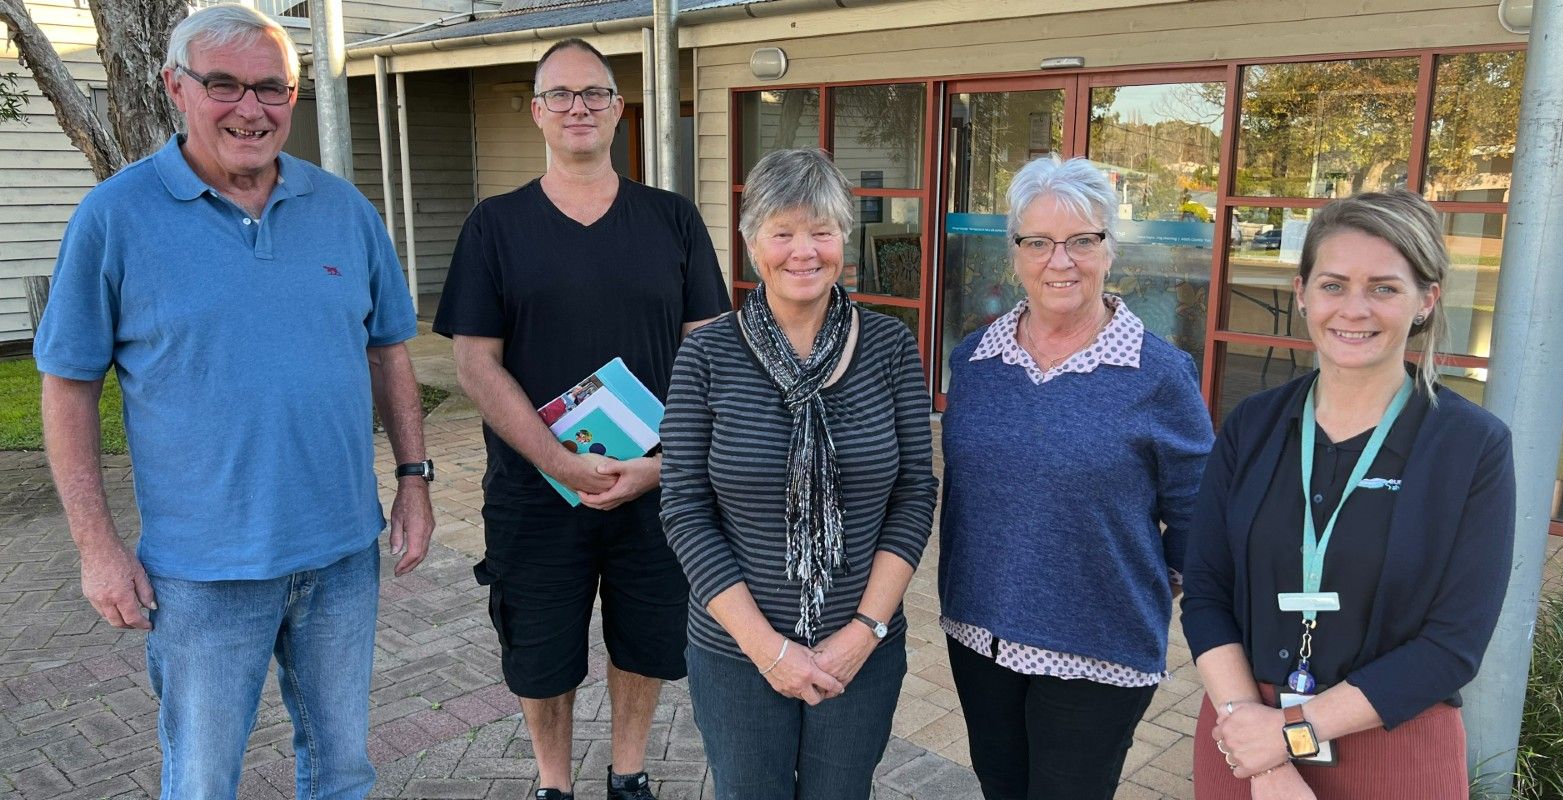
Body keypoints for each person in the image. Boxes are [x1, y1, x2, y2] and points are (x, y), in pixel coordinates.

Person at [32, 6, 435, 798]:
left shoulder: (344, 211)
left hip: (342, 557)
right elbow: (68, 386)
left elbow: (388, 349)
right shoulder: (114, 218)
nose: (251, 109)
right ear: (175, 88)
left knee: (344, 770)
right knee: (204, 778)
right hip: (202, 576)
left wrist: (414, 480)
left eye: (271, 88)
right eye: (224, 85)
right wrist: (96, 548)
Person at [433, 38, 730, 800]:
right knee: (540, 649)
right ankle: (553, 783)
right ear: (536, 111)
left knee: (647, 639)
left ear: (618, 109)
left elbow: (710, 359)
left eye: (594, 94)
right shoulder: (494, 227)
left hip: (656, 489)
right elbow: (475, 364)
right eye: (560, 95)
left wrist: (661, 468)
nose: (578, 108)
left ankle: (628, 771)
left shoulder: (673, 220)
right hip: (536, 491)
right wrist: (558, 462)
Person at [1180, 191, 1516, 799]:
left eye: (1384, 288)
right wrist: (1267, 759)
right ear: (1302, 291)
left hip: (1393, 746)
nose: (1354, 309)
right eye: (1334, 284)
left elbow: (1453, 646)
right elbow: (1206, 591)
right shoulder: (1251, 425)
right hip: (1242, 739)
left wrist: (1287, 736)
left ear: (1426, 299)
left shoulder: (1473, 447)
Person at [659, 148, 938, 799]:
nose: (803, 251)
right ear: (753, 243)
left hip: (861, 651)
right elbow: (683, 508)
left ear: (845, 237)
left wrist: (863, 631)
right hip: (736, 654)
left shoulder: (891, 347)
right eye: (782, 232)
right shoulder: (706, 354)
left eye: (822, 230)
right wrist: (769, 649)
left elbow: (915, 494)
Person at [938, 154, 1214, 800]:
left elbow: (1198, 514)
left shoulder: (1159, 374)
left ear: (1109, 251)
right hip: (980, 637)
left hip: (1100, 646)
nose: (1059, 261)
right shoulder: (975, 362)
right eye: (1038, 242)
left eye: (1081, 241)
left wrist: (1148, 577)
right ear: (1015, 255)